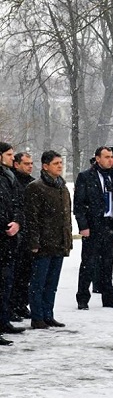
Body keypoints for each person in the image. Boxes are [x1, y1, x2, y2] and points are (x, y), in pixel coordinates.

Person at [74, 146, 113, 310]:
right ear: (97, 159)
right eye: (106, 157)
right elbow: (79, 204)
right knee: (88, 263)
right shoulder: (86, 177)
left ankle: (108, 297)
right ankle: (83, 297)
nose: (111, 160)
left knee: (107, 263)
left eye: (112, 157)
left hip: (111, 224)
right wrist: (83, 225)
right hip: (93, 225)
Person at [24, 150, 73, 329]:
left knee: (52, 284)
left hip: (59, 243)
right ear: (45, 166)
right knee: (38, 283)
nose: (60, 166)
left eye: (61, 163)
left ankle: (48, 314)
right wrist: (34, 242)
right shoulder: (36, 187)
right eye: (56, 163)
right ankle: (37, 317)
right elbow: (32, 217)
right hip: (43, 244)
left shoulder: (62, 187)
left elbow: (67, 217)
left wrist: (67, 240)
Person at [0, 142, 25, 343]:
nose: (12, 158)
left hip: (10, 239)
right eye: (8, 154)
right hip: (2, 234)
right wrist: (5, 225)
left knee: (7, 281)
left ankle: (3, 320)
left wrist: (16, 221)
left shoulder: (9, 177)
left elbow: (17, 202)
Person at [9, 151, 34, 321]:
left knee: (26, 273)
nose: (30, 166)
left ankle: (21, 304)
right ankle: (12, 306)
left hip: (29, 234)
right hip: (16, 234)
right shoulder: (12, 181)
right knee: (15, 274)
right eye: (26, 163)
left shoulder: (32, 183)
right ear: (16, 164)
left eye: (31, 163)